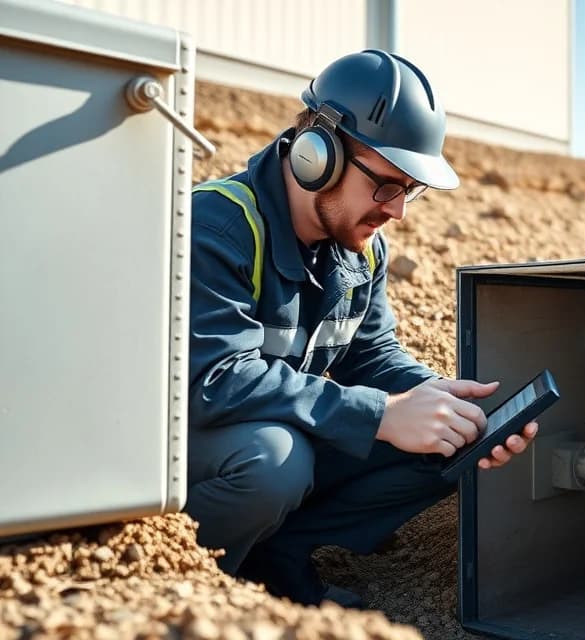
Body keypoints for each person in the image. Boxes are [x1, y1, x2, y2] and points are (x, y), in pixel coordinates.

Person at [183, 49, 537, 608]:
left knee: (441, 441)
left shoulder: (361, 248)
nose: (397, 211)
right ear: (315, 154)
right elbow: (213, 381)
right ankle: (188, 588)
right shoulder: (218, 226)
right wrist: (381, 415)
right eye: (386, 185)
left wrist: (441, 401)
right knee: (276, 462)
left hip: (272, 427)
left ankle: (277, 561)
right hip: (197, 444)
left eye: (409, 191)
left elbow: (371, 355)